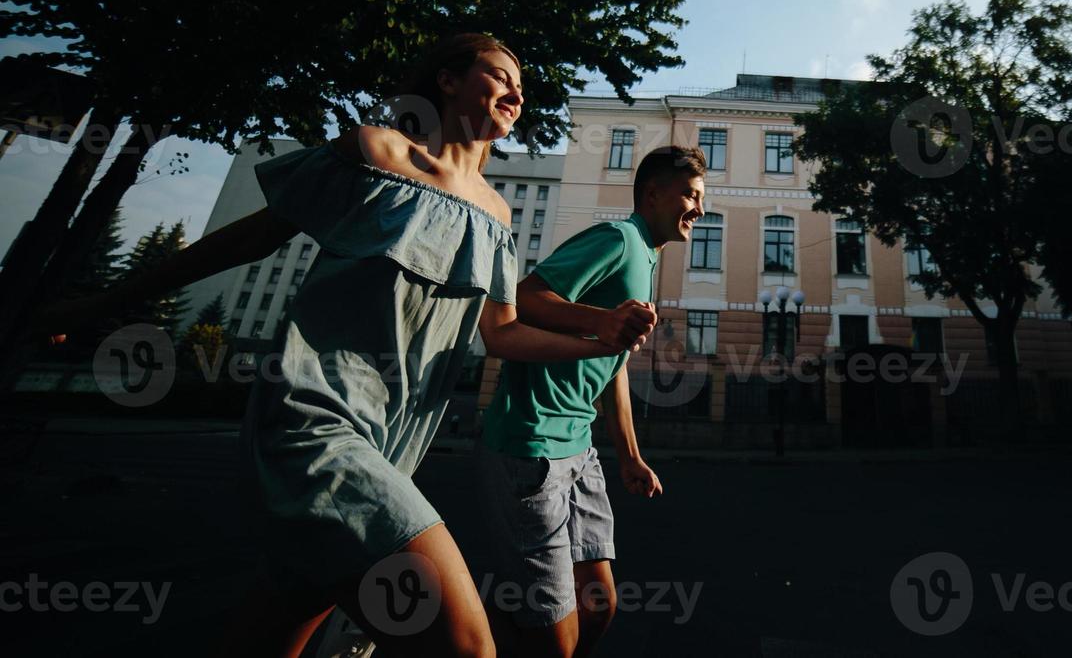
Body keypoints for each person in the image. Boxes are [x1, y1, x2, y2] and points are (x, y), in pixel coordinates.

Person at [36, 33, 658, 658]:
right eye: (500, 76)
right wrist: (104, 303)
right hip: (314, 418)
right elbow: (247, 240)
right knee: (467, 646)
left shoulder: (497, 216)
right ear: (447, 81)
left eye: (522, 87)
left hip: (394, 442)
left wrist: (599, 338)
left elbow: (502, 334)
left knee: (279, 622)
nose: (517, 93)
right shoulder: (378, 153)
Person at [476, 144, 707, 657]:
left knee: (599, 607)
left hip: (580, 452)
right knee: (554, 637)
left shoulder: (647, 260)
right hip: (530, 446)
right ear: (652, 194)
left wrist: (630, 455)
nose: (700, 209)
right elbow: (527, 296)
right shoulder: (618, 238)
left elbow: (613, 365)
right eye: (690, 195)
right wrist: (598, 321)